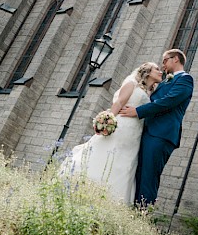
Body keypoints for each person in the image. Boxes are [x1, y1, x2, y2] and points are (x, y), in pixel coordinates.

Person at [58, 61, 162, 204]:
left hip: (134, 135)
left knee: (125, 163)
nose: (160, 71)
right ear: (147, 71)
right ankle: (83, 188)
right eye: (157, 69)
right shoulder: (132, 83)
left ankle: (112, 201)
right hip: (122, 127)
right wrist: (107, 121)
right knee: (105, 155)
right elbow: (119, 103)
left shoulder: (150, 91)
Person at [120, 48, 194, 207]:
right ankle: (133, 210)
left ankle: (142, 216)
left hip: (161, 135)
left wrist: (138, 111)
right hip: (147, 132)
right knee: (138, 174)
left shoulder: (185, 79)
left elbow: (168, 101)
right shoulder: (165, 81)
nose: (163, 65)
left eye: (165, 60)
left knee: (149, 176)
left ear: (176, 59)